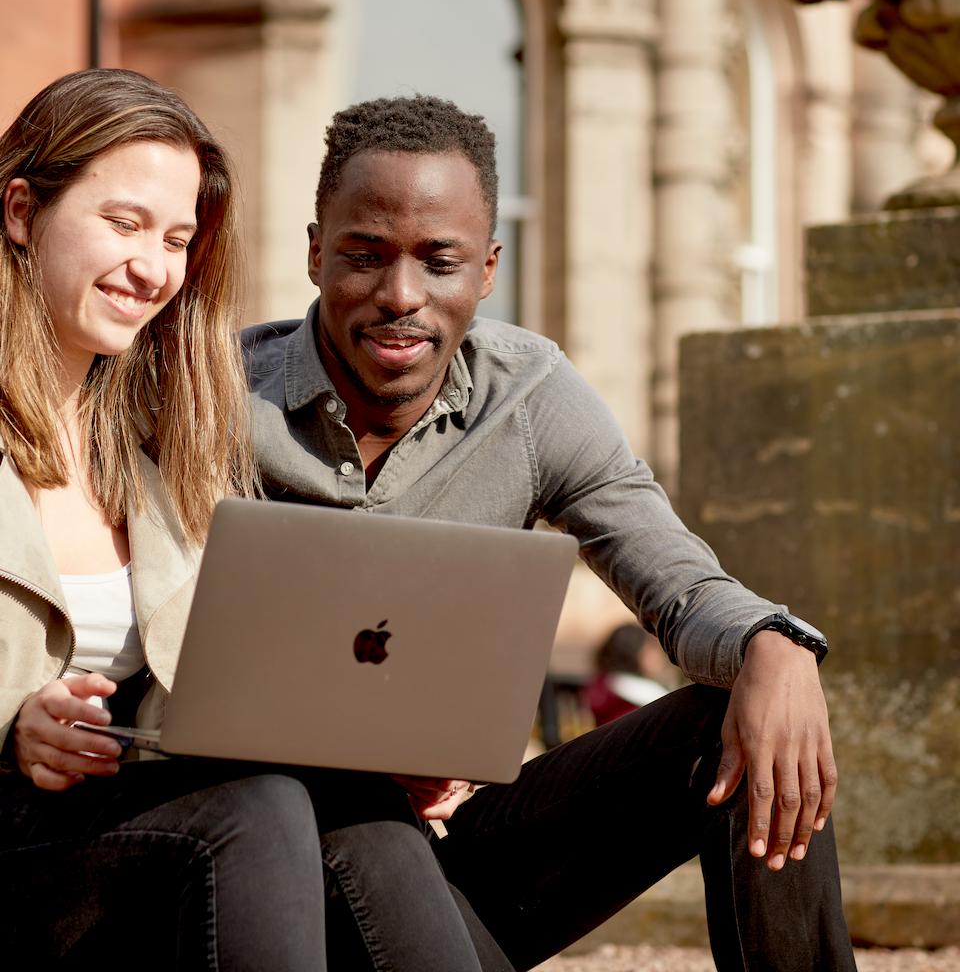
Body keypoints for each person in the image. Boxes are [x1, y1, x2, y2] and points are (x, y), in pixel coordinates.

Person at [244, 93, 859, 972]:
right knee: (346, 822)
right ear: (314, 252)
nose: (401, 296)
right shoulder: (217, 399)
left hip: (463, 849)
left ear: (488, 269)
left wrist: (774, 643)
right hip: (275, 863)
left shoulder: (532, 397)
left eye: (440, 262)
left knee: (741, 721)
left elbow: (676, 577)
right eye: (364, 257)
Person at [0, 70, 503, 972]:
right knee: (259, 810)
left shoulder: (157, 449)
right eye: (122, 223)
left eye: (177, 239)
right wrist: (11, 726)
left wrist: (369, 744)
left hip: (121, 835)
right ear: (22, 211)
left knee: (358, 811)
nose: (152, 266)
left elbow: (205, 703)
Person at [583, 623, 673, 726]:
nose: (657, 655)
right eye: (650, 648)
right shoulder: (633, 701)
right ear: (633, 653)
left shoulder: (603, 685)